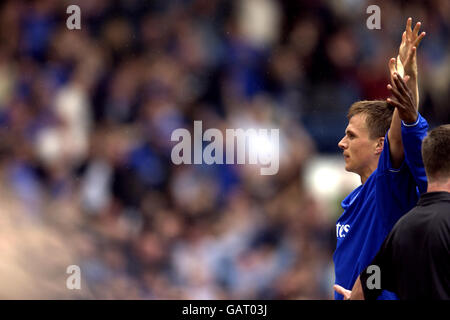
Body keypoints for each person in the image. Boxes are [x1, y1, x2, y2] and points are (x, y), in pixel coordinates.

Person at [333, 18, 427, 300]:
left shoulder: (388, 187)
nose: (341, 143)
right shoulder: (355, 200)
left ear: (379, 146)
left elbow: (403, 127)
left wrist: (408, 74)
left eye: (351, 136)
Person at [334, 124, 450, 300]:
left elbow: (369, 281)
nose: (342, 143)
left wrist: (358, 295)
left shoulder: (404, 226)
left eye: (351, 135)